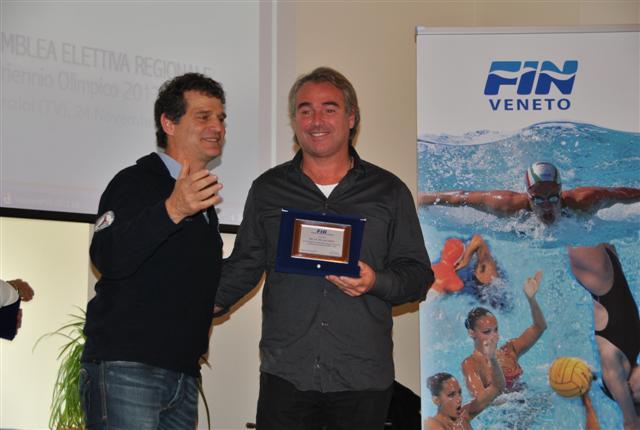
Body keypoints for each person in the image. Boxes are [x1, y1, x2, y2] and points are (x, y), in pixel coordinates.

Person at [214, 67, 433, 430]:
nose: (316, 121)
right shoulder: (268, 190)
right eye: (305, 110)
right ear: (294, 120)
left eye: (329, 109)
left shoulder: (388, 192)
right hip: (287, 377)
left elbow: (418, 276)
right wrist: (191, 311)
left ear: (351, 118)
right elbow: (244, 266)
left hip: (362, 380)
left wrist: (375, 281)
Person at [80, 73, 226, 429]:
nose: (217, 127)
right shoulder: (132, 182)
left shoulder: (204, 204)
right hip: (127, 369)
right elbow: (106, 255)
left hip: (182, 374)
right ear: (168, 123)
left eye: (221, 118)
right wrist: (173, 209)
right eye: (203, 117)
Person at [418, 161, 640, 225]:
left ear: (561, 191)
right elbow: (461, 197)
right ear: (528, 196)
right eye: (538, 199)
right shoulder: (507, 204)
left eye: (553, 197)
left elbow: (621, 194)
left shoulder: (585, 200)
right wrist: (420, 199)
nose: (547, 205)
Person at [568, 243, 639, 429]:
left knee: (570, 227)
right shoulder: (632, 355)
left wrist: (631, 416)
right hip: (610, 267)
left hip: (599, 277)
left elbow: (631, 423)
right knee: (574, 224)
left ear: (632, 391)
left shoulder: (616, 369)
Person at [462, 272, 547, 398]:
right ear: (472, 333)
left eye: (495, 330)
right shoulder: (471, 364)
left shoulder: (509, 350)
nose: (494, 336)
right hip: (511, 410)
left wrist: (531, 299)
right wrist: (512, 400)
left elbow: (539, 327)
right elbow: (479, 399)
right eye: (486, 332)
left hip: (530, 402)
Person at [425, 342, 504, 430]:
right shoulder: (431, 423)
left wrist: (492, 358)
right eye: (451, 395)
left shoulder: (464, 415)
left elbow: (497, 388)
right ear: (436, 400)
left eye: (459, 393)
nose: (459, 399)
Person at [431, 235, 498, 294]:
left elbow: (478, 240)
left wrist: (465, 260)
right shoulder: (480, 270)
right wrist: (465, 260)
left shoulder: (484, 269)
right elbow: (477, 240)